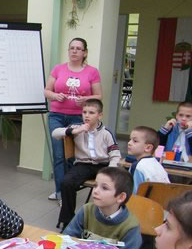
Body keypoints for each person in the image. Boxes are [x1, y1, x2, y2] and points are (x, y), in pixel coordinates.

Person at [63, 167, 141, 249]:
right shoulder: (86, 210)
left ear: (121, 197)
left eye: (104, 188)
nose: (96, 191)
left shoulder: (130, 226)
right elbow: (67, 238)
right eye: (95, 185)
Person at [45, 38, 102, 202]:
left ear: (85, 52)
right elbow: (47, 91)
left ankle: (68, 188)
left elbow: (99, 96)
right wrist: (55, 96)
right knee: (58, 155)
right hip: (56, 116)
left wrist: (85, 99)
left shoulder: (92, 72)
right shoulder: (58, 69)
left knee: (70, 155)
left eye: (78, 48)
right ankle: (59, 191)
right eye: (72, 48)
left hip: (77, 117)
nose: (74, 51)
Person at [52, 99, 121, 229]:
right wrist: (73, 131)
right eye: (84, 112)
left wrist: (110, 171)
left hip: (103, 165)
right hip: (83, 164)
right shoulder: (77, 128)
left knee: (108, 185)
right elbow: (55, 133)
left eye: (91, 112)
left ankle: (104, 219)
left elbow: (115, 155)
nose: (87, 115)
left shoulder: (106, 133)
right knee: (67, 183)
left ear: (100, 115)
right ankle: (67, 221)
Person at [127, 126, 170, 194]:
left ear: (148, 148)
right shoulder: (158, 165)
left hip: (144, 200)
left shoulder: (137, 166)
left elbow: (134, 195)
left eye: (135, 141)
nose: (129, 143)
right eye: (130, 139)